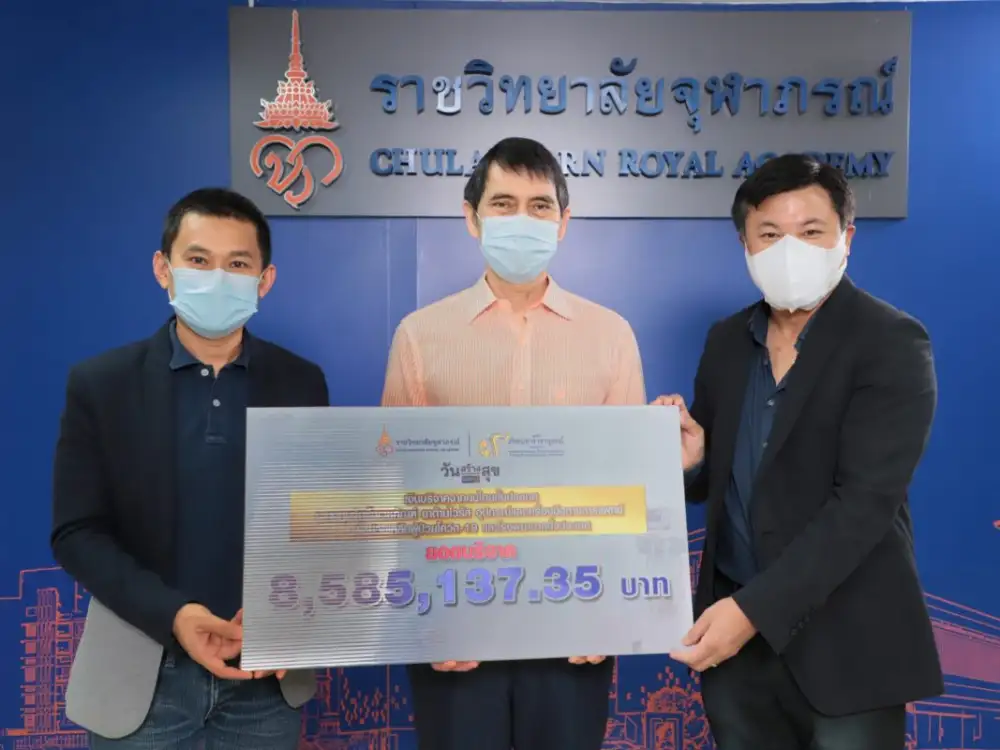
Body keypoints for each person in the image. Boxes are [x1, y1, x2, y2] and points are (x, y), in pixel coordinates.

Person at [654, 154, 942, 749]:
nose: (790, 249)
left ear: (846, 238)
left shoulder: (890, 341)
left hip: (848, 643)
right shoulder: (726, 341)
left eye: (811, 231)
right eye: (770, 234)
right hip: (737, 655)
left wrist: (752, 613)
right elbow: (720, 480)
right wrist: (694, 461)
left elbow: (864, 505)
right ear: (745, 245)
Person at [381, 137, 645, 750]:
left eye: (539, 205)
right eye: (503, 203)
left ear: (563, 221)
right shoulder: (420, 335)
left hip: (574, 625)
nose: (521, 219)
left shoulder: (610, 336)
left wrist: (609, 613)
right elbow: (398, 490)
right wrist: (426, 621)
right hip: (456, 627)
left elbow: (628, 491)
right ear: (472, 218)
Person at [51, 188, 329, 749]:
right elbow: (76, 532)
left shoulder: (301, 382)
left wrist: (288, 613)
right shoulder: (102, 384)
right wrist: (174, 614)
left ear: (265, 280)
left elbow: (320, 523)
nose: (217, 278)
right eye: (198, 260)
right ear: (164, 268)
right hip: (141, 678)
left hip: (263, 681)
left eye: (238, 264)